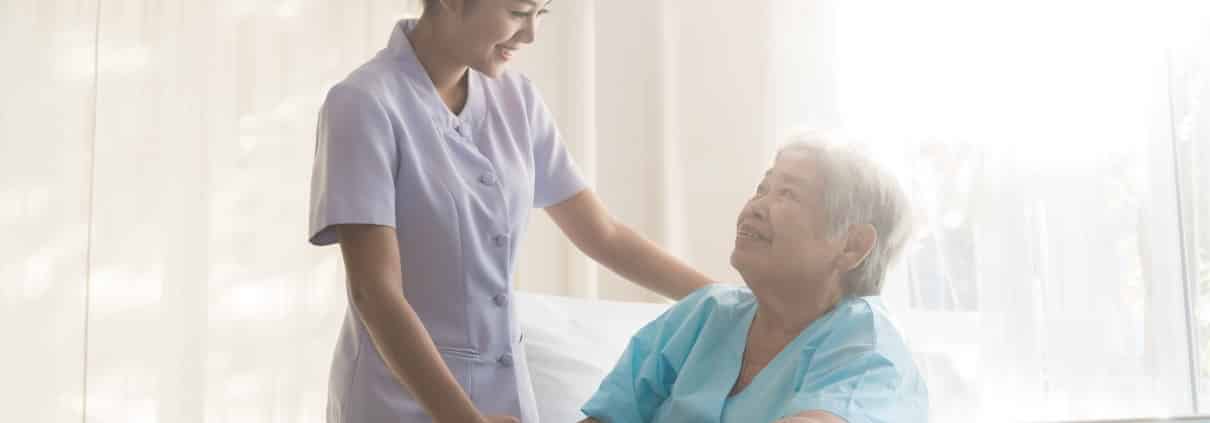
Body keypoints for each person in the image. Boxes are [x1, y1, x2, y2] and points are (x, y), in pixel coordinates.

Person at [307, 1, 714, 422]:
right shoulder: (362, 105)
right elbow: (374, 293)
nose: (531, 34)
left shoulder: (516, 99)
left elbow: (603, 234)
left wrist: (731, 301)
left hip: (506, 396)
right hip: (397, 399)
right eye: (519, 11)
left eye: (542, 13)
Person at [580, 133, 929, 423]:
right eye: (762, 189)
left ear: (852, 245)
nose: (755, 206)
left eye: (787, 194)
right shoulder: (703, 315)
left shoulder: (868, 349)